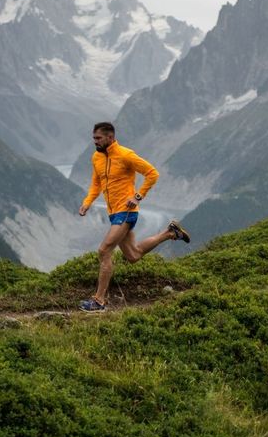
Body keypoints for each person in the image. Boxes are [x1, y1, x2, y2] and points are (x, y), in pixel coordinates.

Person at [78, 122, 190, 312]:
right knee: (133, 255)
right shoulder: (96, 157)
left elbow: (152, 173)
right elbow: (96, 184)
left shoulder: (125, 155)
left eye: (98, 138)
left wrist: (137, 196)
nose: (94, 141)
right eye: (94, 138)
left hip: (126, 211)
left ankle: (99, 301)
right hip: (113, 213)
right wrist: (88, 202)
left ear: (110, 137)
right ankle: (170, 233)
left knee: (104, 250)